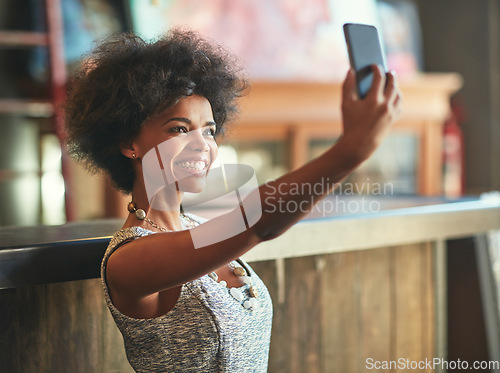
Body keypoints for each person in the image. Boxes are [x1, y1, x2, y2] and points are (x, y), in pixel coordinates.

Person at [64, 28, 401, 373]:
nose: (202, 144)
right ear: (128, 143)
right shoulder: (129, 260)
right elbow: (258, 220)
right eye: (179, 129)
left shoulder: (196, 227)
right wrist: (351, 150)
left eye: (209, 130)